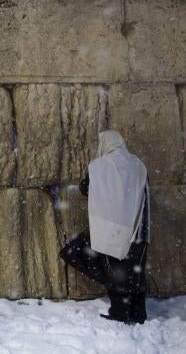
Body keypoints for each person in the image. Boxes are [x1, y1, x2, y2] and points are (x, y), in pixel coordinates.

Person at [60, 130, 150, 324]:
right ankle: (138, 312)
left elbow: (85, 188)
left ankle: (120, 312)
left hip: (112, 228)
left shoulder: (99, 166)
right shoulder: (138, 165)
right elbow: (144, 195)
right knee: (135, 269)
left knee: (112, 269)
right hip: (137, 228)